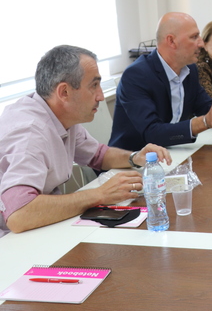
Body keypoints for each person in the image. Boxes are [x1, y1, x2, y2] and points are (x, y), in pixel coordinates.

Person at [0, 45, 171, 237]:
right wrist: (99, 195)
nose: (100, 96)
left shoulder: (61, 116)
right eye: (93, 86)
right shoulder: (30, 133)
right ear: (64, 92)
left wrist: (135, 157)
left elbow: (98, 155)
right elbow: (19, 214)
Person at [109, 12, 212, 151]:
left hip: (173, 152)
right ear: (171, 41)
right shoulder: (137, 75)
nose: (201, 43)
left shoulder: (190, 70)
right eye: (194, 37)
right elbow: (152, 132)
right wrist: (204, 122)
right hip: (134, 158)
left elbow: (206, 107)